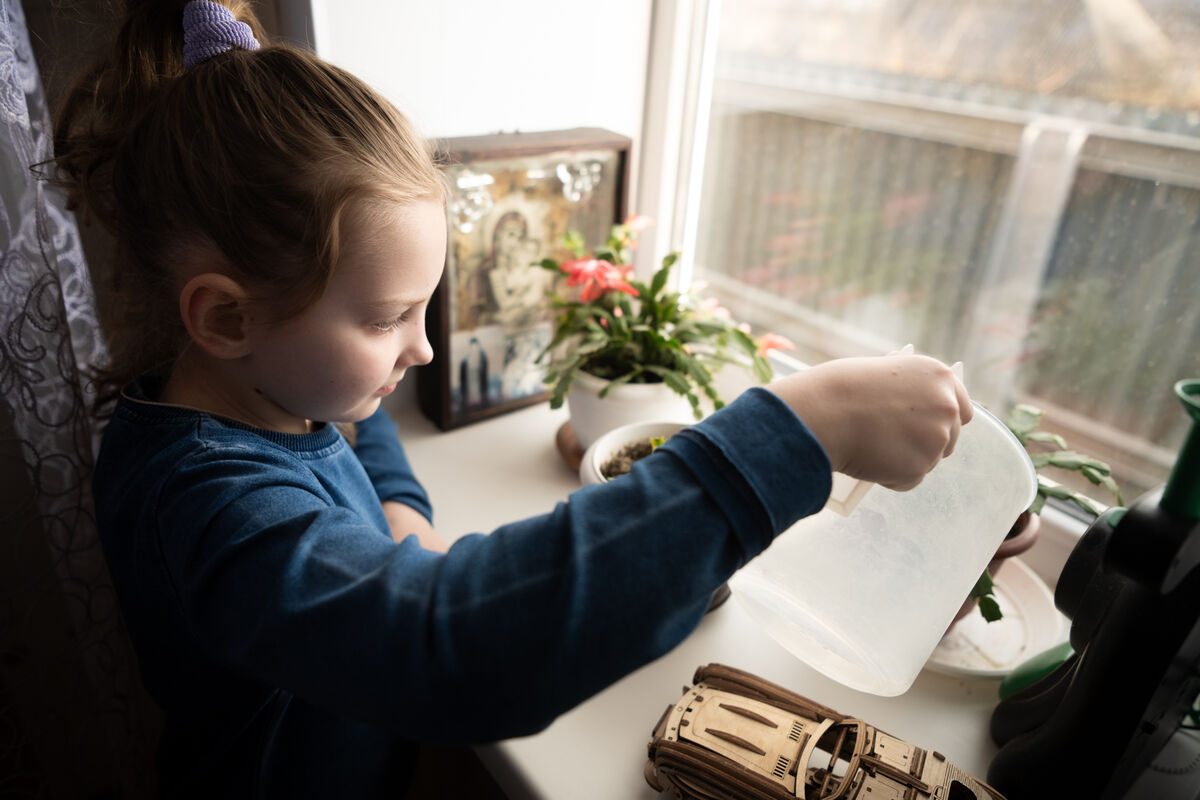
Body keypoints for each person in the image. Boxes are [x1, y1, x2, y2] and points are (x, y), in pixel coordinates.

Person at [51, 2, 972, 798]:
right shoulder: (206, 501)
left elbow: (337, 422)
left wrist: (401, 513)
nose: (420, 347)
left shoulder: (245, 391)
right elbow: (451, 645)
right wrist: (800, 433)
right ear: (225, 316)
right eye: (388, 318)